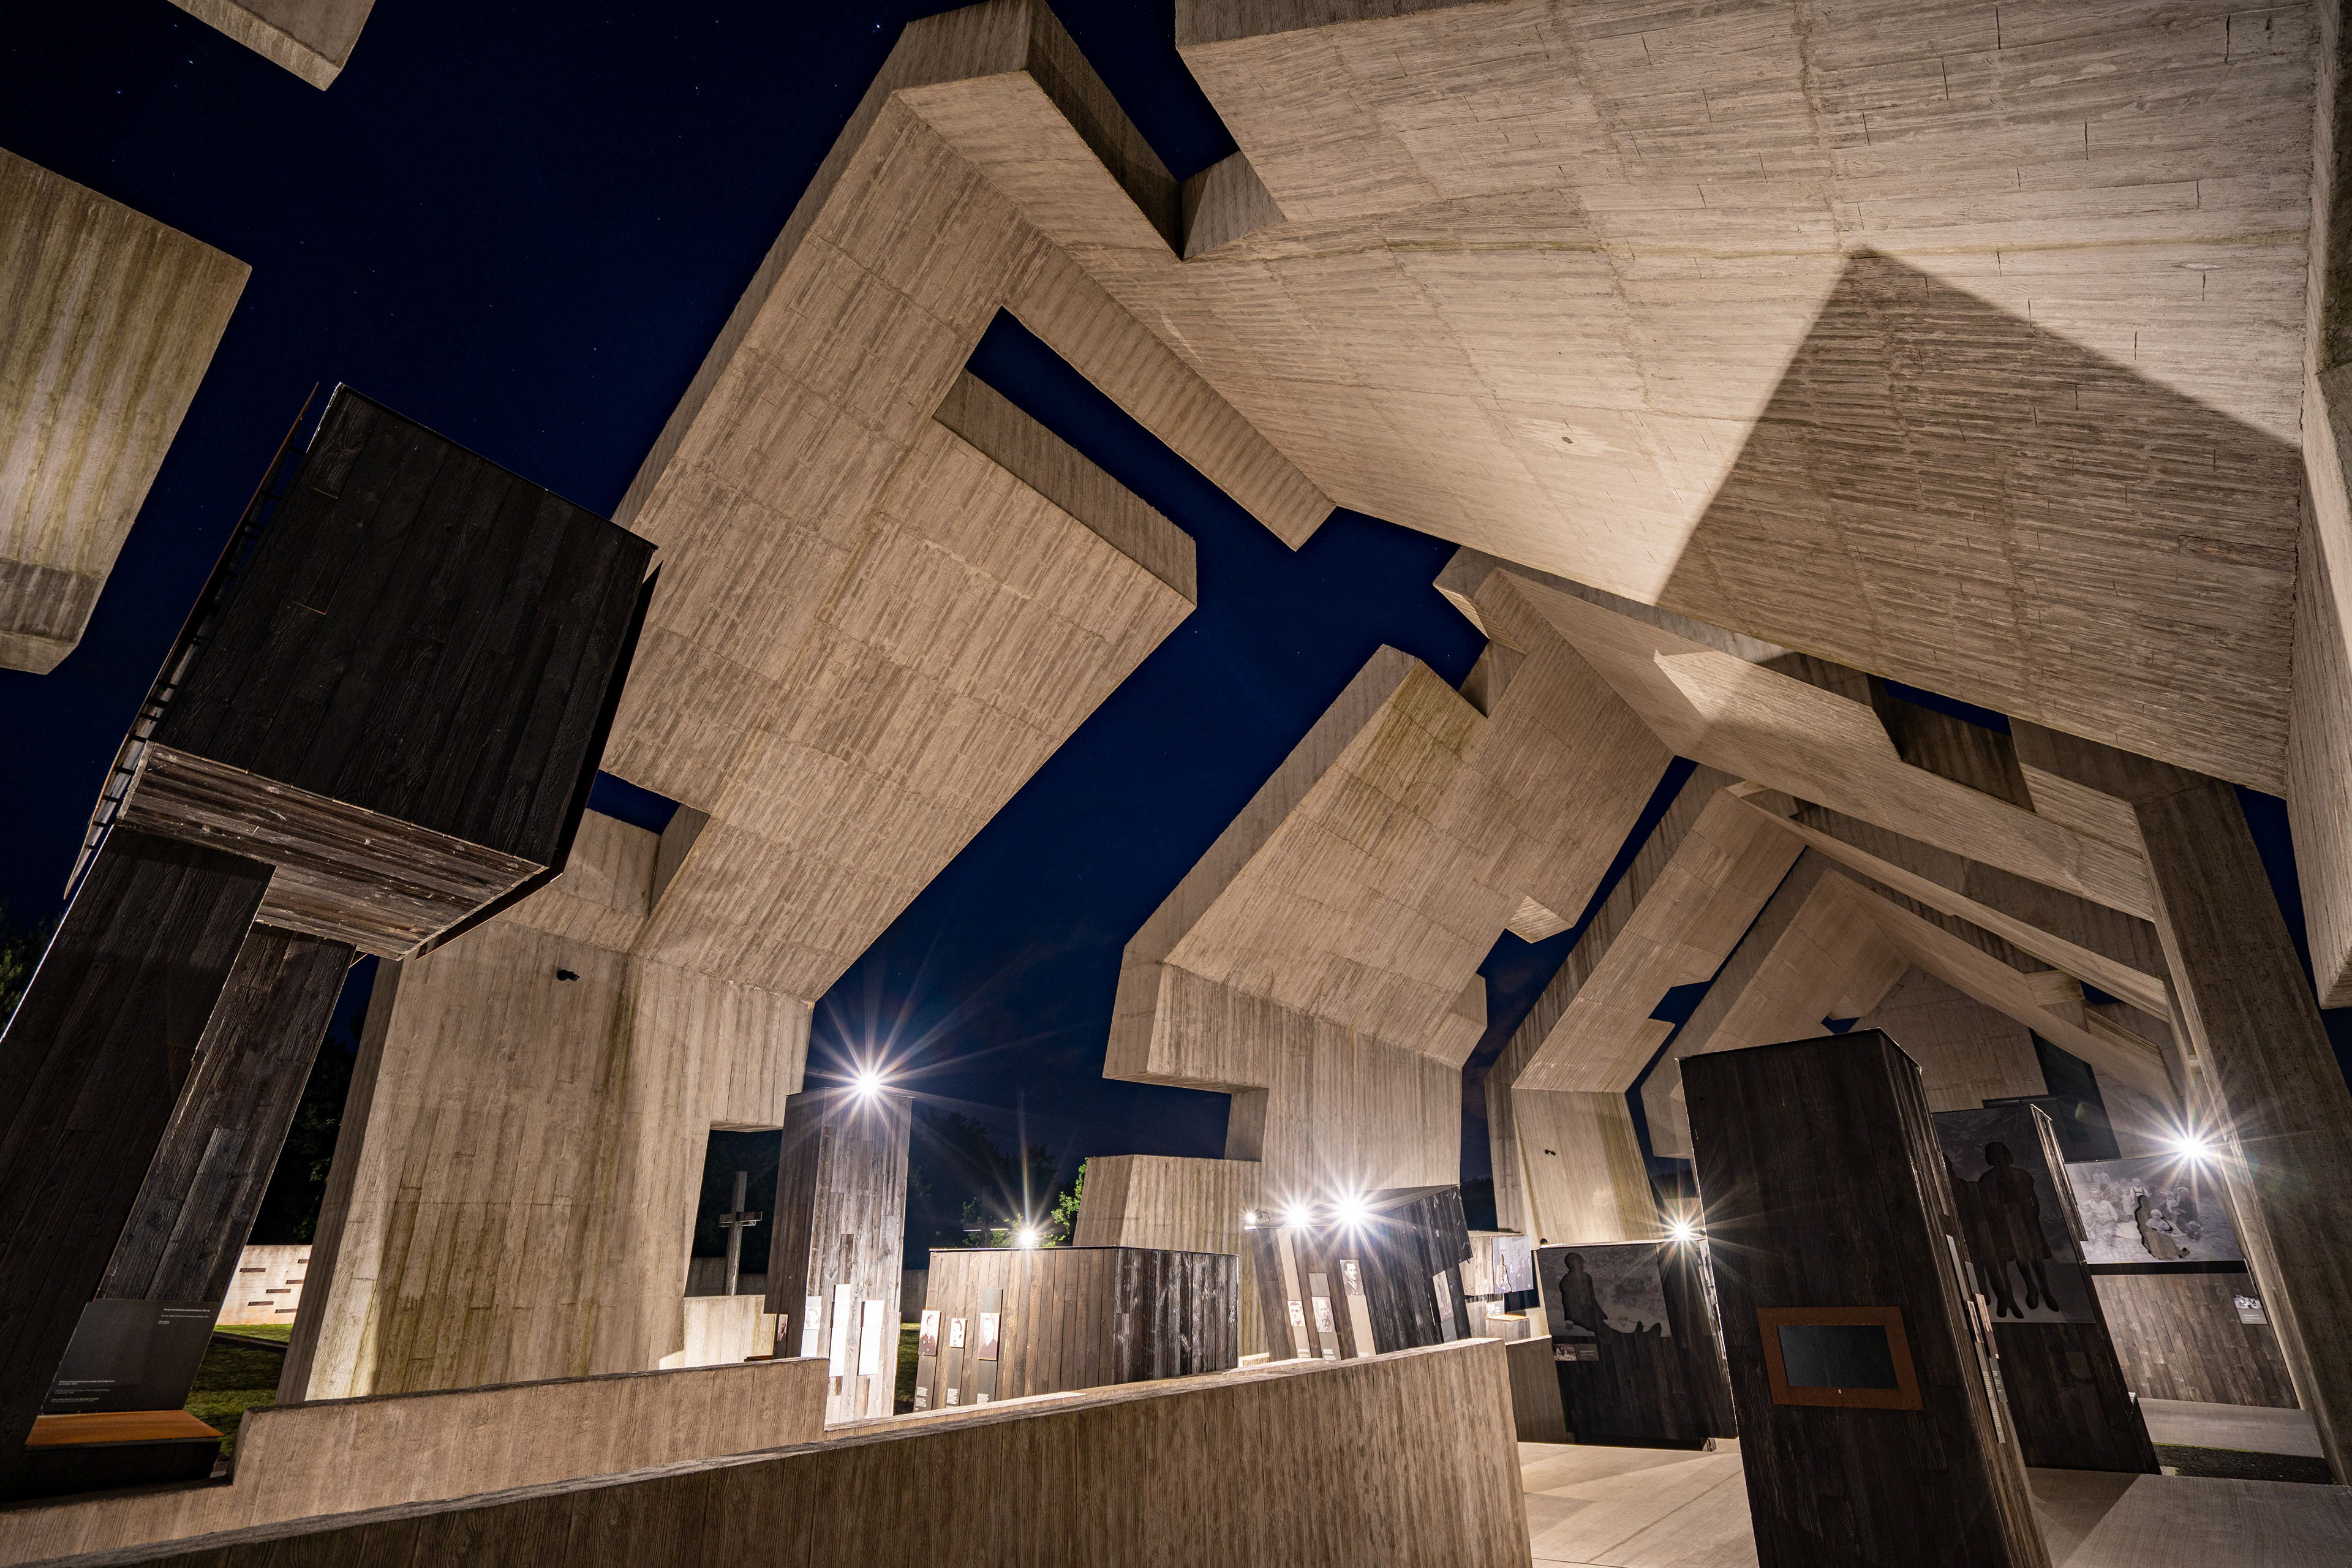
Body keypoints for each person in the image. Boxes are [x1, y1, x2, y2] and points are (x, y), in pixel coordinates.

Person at [1977, 1142, 2053, 1313]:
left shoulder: (2021, 1175)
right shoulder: (1987, 1179)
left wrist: (2033, 1216)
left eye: (2001, 1154)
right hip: (2006, 1221)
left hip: (2026, 1219)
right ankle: (2030, 1286)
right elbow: (1988, 1206)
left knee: (2036, 1256)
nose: (1999, 1159)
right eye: (1994, 1156)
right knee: (2021, 1256)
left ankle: (2045, 1290)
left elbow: (2033, 1199)